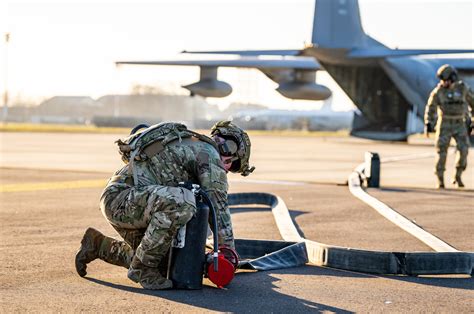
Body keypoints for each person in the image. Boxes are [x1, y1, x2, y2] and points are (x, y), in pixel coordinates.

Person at [75, 121, 254, 289]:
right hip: (122, 199)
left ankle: (98, 245)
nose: (226, 170)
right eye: (231, 165)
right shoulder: (209, 153)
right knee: (182, 202)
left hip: (123, 200)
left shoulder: (190, 143)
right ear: (230, 150)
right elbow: (218, 207)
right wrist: (228, 254)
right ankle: (143, 269)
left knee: (169, 265)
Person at [424, 64, 473, 188]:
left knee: (464, 150)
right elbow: (431, 107)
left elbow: (473, 103)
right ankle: (440, 179)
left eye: (445, 80)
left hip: (459, 123)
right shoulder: (438, 91)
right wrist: (428, 122)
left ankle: (458, 175)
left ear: (452, 79)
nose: (443, 83)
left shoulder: (463, 89)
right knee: (441, 152)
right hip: (444, 123)